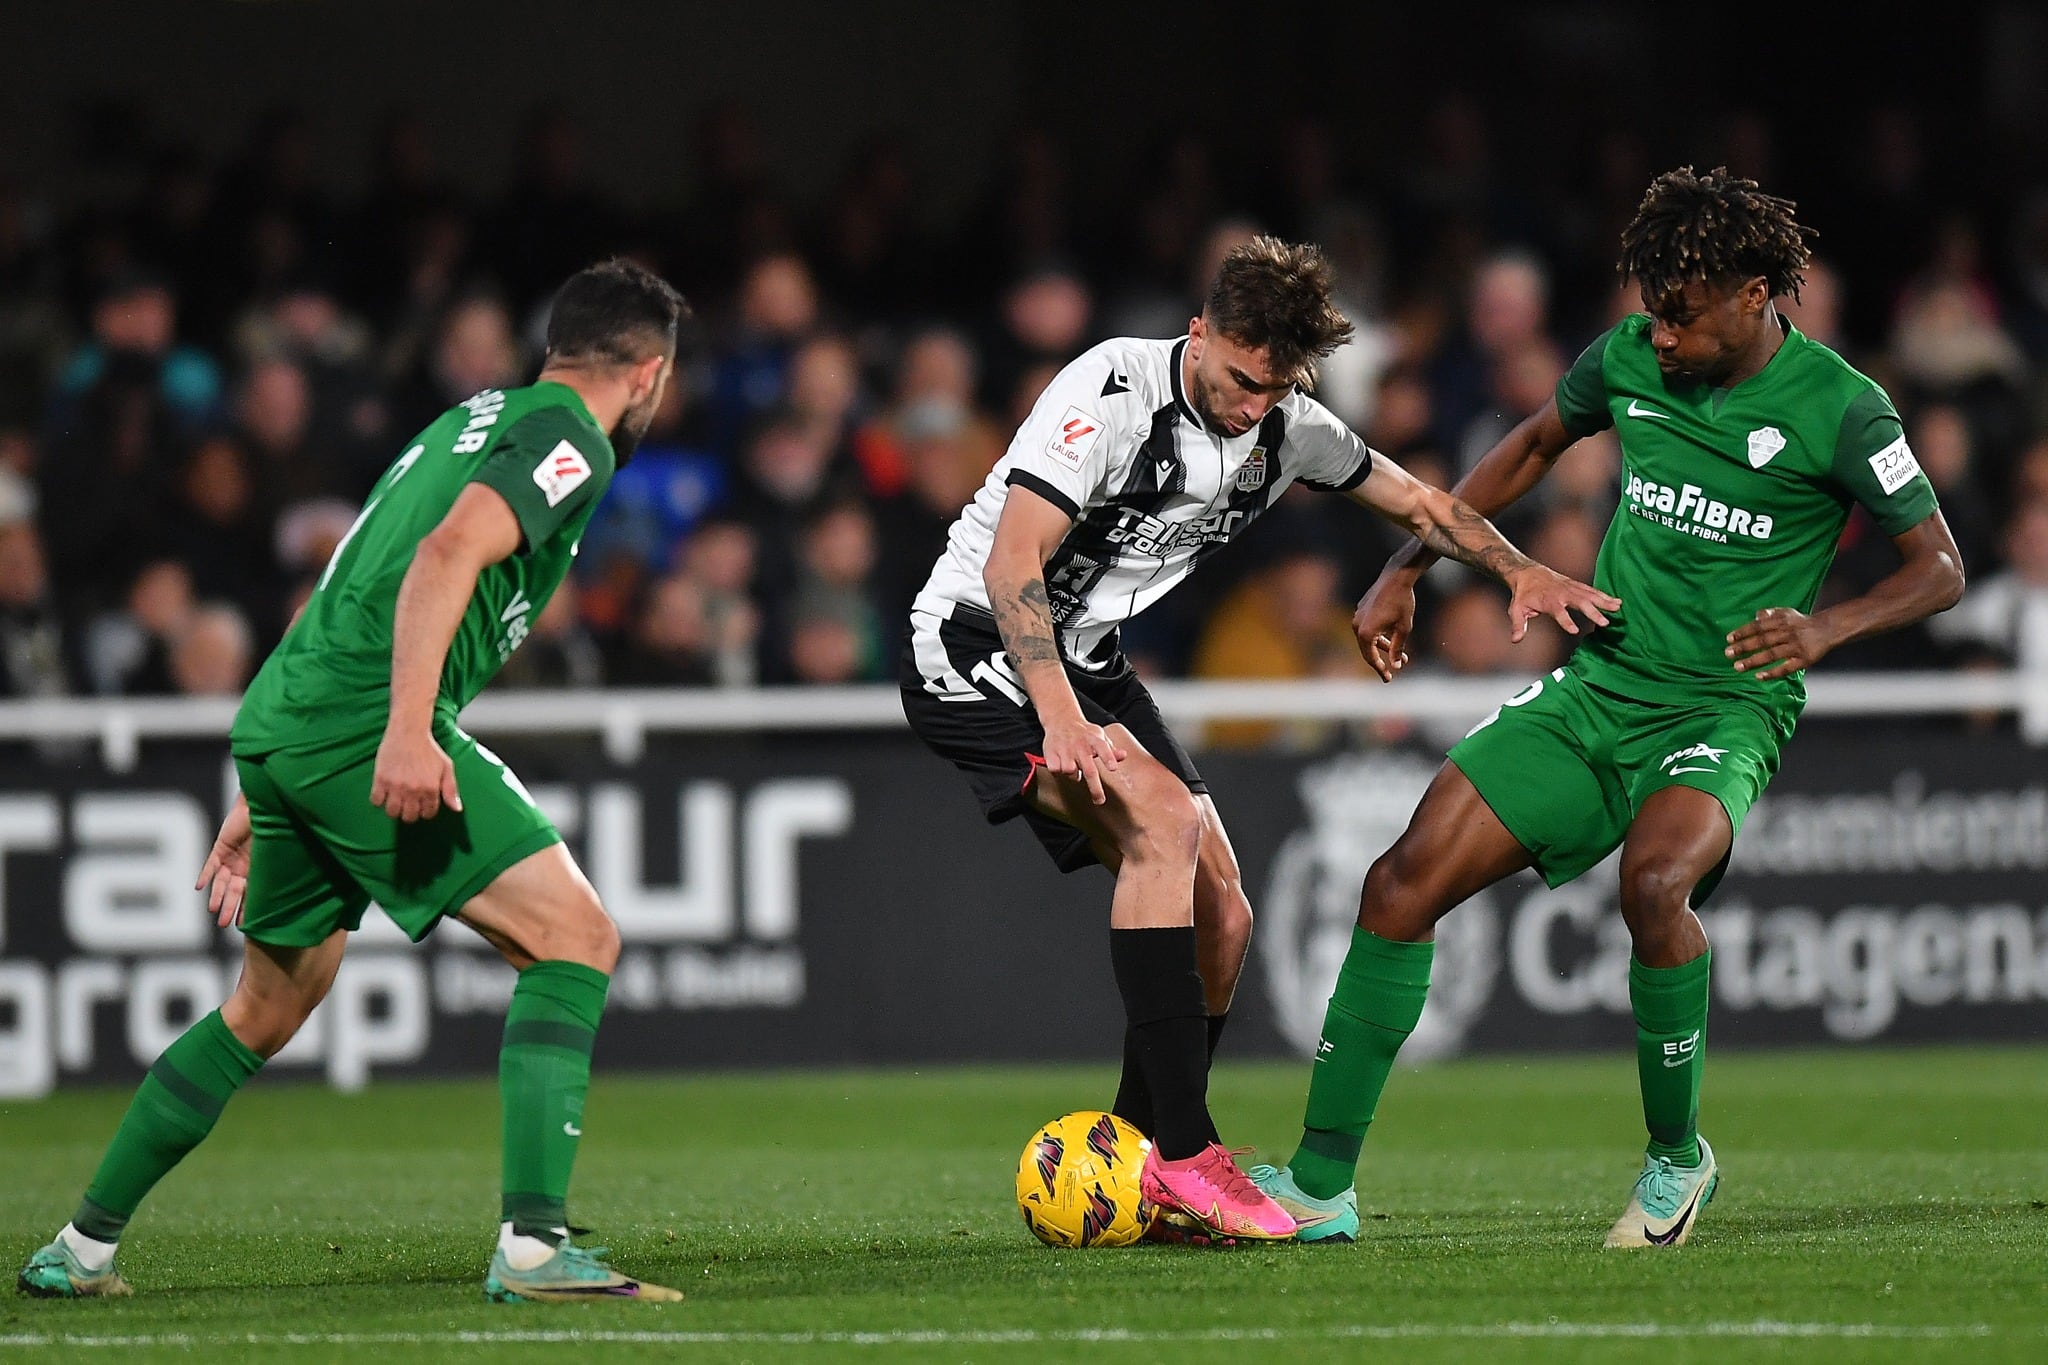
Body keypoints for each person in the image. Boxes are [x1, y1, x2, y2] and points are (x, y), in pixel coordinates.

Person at [1251, 168, 1965, 1249]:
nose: (1660, 336)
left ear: (1757, 292)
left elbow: (1939, 569)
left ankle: (1676, 1159)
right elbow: (1533, 445)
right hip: (1601, 686)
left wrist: (1824, 629)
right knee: (1398, 884)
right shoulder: (1626, 359)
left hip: (1724, 707)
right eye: (1651, 310)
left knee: (1654, 880)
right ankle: (1317, 1186)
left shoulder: (1842, 407)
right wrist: (1408, 562)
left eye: (1682, 315)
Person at [899, 236, 1613, 1245]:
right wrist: (1057, 712)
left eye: (1270, 389)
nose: (1248, 407)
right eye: (1236, 380)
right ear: (1197, 334)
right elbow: (1015, 553)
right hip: (976, 642)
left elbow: (1420, 503)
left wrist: (1516, 570)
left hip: (1087, 656)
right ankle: (1190, 1154)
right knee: (1157, 819)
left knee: (1224, 914)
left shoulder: (1288, 428)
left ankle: (1139, 1159)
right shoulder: (1108, 387)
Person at [17, 258, 691, 1305]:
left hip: (292, 716)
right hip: (363, 724)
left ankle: (81, 1249)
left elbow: (352, 571)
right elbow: (441, 557)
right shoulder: (570, 441)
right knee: (575, 937)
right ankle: (532, 1247)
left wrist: (270, 774)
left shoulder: (470, 418)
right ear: (645, 372)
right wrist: (409, 732)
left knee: (269, 1002)